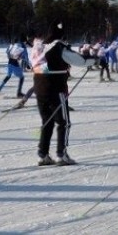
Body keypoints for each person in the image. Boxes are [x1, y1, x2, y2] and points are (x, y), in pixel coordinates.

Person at [30, 21, 91, 166]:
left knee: (47, 121)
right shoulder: (58, 46)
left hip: (40, 88)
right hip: (56, 89)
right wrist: (94, 60)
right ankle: (61, 154)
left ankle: (43, 154)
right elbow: (80, 61)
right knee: (64, 122)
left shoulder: (39, 46)